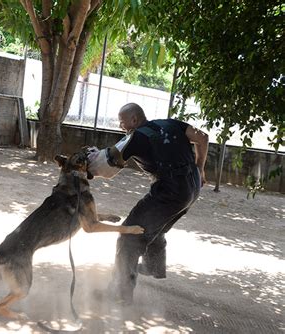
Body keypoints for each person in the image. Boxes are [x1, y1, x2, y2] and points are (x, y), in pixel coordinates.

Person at [87, 102, 208, 304]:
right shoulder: (170, 123)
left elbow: (106, 166)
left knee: (129, 234)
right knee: (154, 224)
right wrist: (200, 168)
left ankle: (120, 294)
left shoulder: (136, 138)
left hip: (170, 193)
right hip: (192, 188)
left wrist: (87, 164)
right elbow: (202, 137)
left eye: (122, 122)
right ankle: (153, 266)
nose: (120, 126)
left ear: (134, 120)